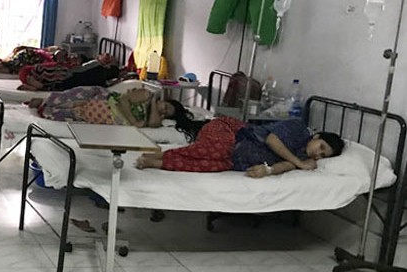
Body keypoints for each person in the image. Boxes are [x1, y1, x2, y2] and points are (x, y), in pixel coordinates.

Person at [135, 115, 344, 177]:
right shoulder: (298, 128)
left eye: (324, 155)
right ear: (316, 135)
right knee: (218, 149)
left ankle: (156, 162)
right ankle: (159, 155)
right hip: (233, 133)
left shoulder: (302, 157)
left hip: (238, 159)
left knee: (211, 165)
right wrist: (299, 161)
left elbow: (289, 165)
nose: (319, 154)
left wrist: (269, 170)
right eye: (322, 146)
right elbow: (272, 140)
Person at [31, 86, 181, 128]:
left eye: (165, 114)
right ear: (164, 100)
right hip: (99, 99)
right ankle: (41, 100)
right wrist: (133, 122)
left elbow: (154, 123)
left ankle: (43, 106)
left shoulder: (155, 116)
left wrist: (156, 108)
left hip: (95, 114)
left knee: (56, 113)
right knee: (62, 99)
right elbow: (123, 101)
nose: (163, 111)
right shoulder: (146, 95)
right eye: (166, 107)